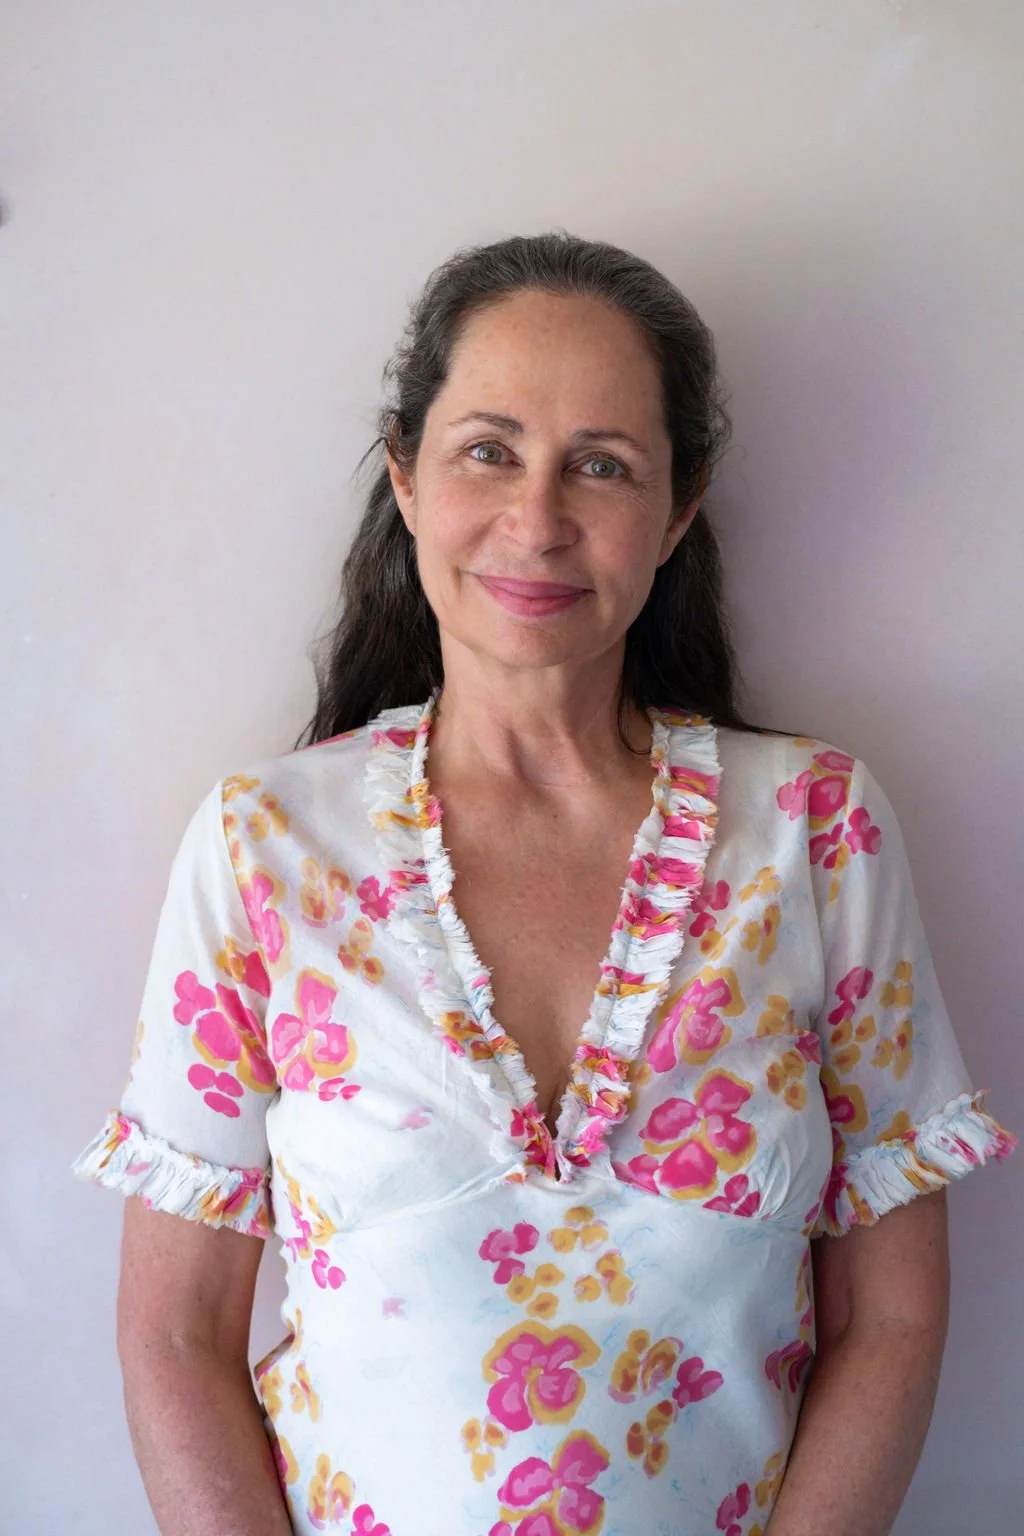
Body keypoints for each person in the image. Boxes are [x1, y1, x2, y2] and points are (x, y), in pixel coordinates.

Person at [73, 231, 1016, 1536]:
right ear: (404, 477)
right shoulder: (263, 850)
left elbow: (896, 1316)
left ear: (678, 508)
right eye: (488, 451)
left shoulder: (815, 833)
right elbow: (176, 1335)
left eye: (603, 466)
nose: (538, 520)